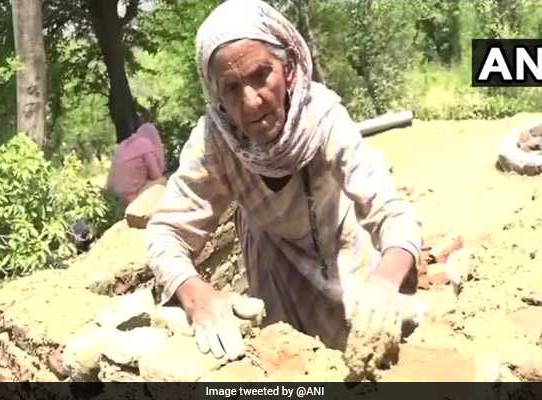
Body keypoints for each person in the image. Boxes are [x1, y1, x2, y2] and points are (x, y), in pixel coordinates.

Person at [146, 0, 422, 376]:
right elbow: (165, 234)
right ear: (216, 97)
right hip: (271, 261)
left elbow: (392, 212)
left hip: (341, 250)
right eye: (231, 88)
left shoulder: (323, 119)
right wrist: (197, 295)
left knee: (366, 355)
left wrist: (385, 282)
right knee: (289, 367)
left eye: (261, 75)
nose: (251, 101)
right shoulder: (215, 141)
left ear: (289, 69)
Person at [106, 122, 166, 206]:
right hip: (129, 197)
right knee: (162, 181)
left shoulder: (124, 144)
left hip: (112, 196)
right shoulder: (145, 144)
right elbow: (156, 175)